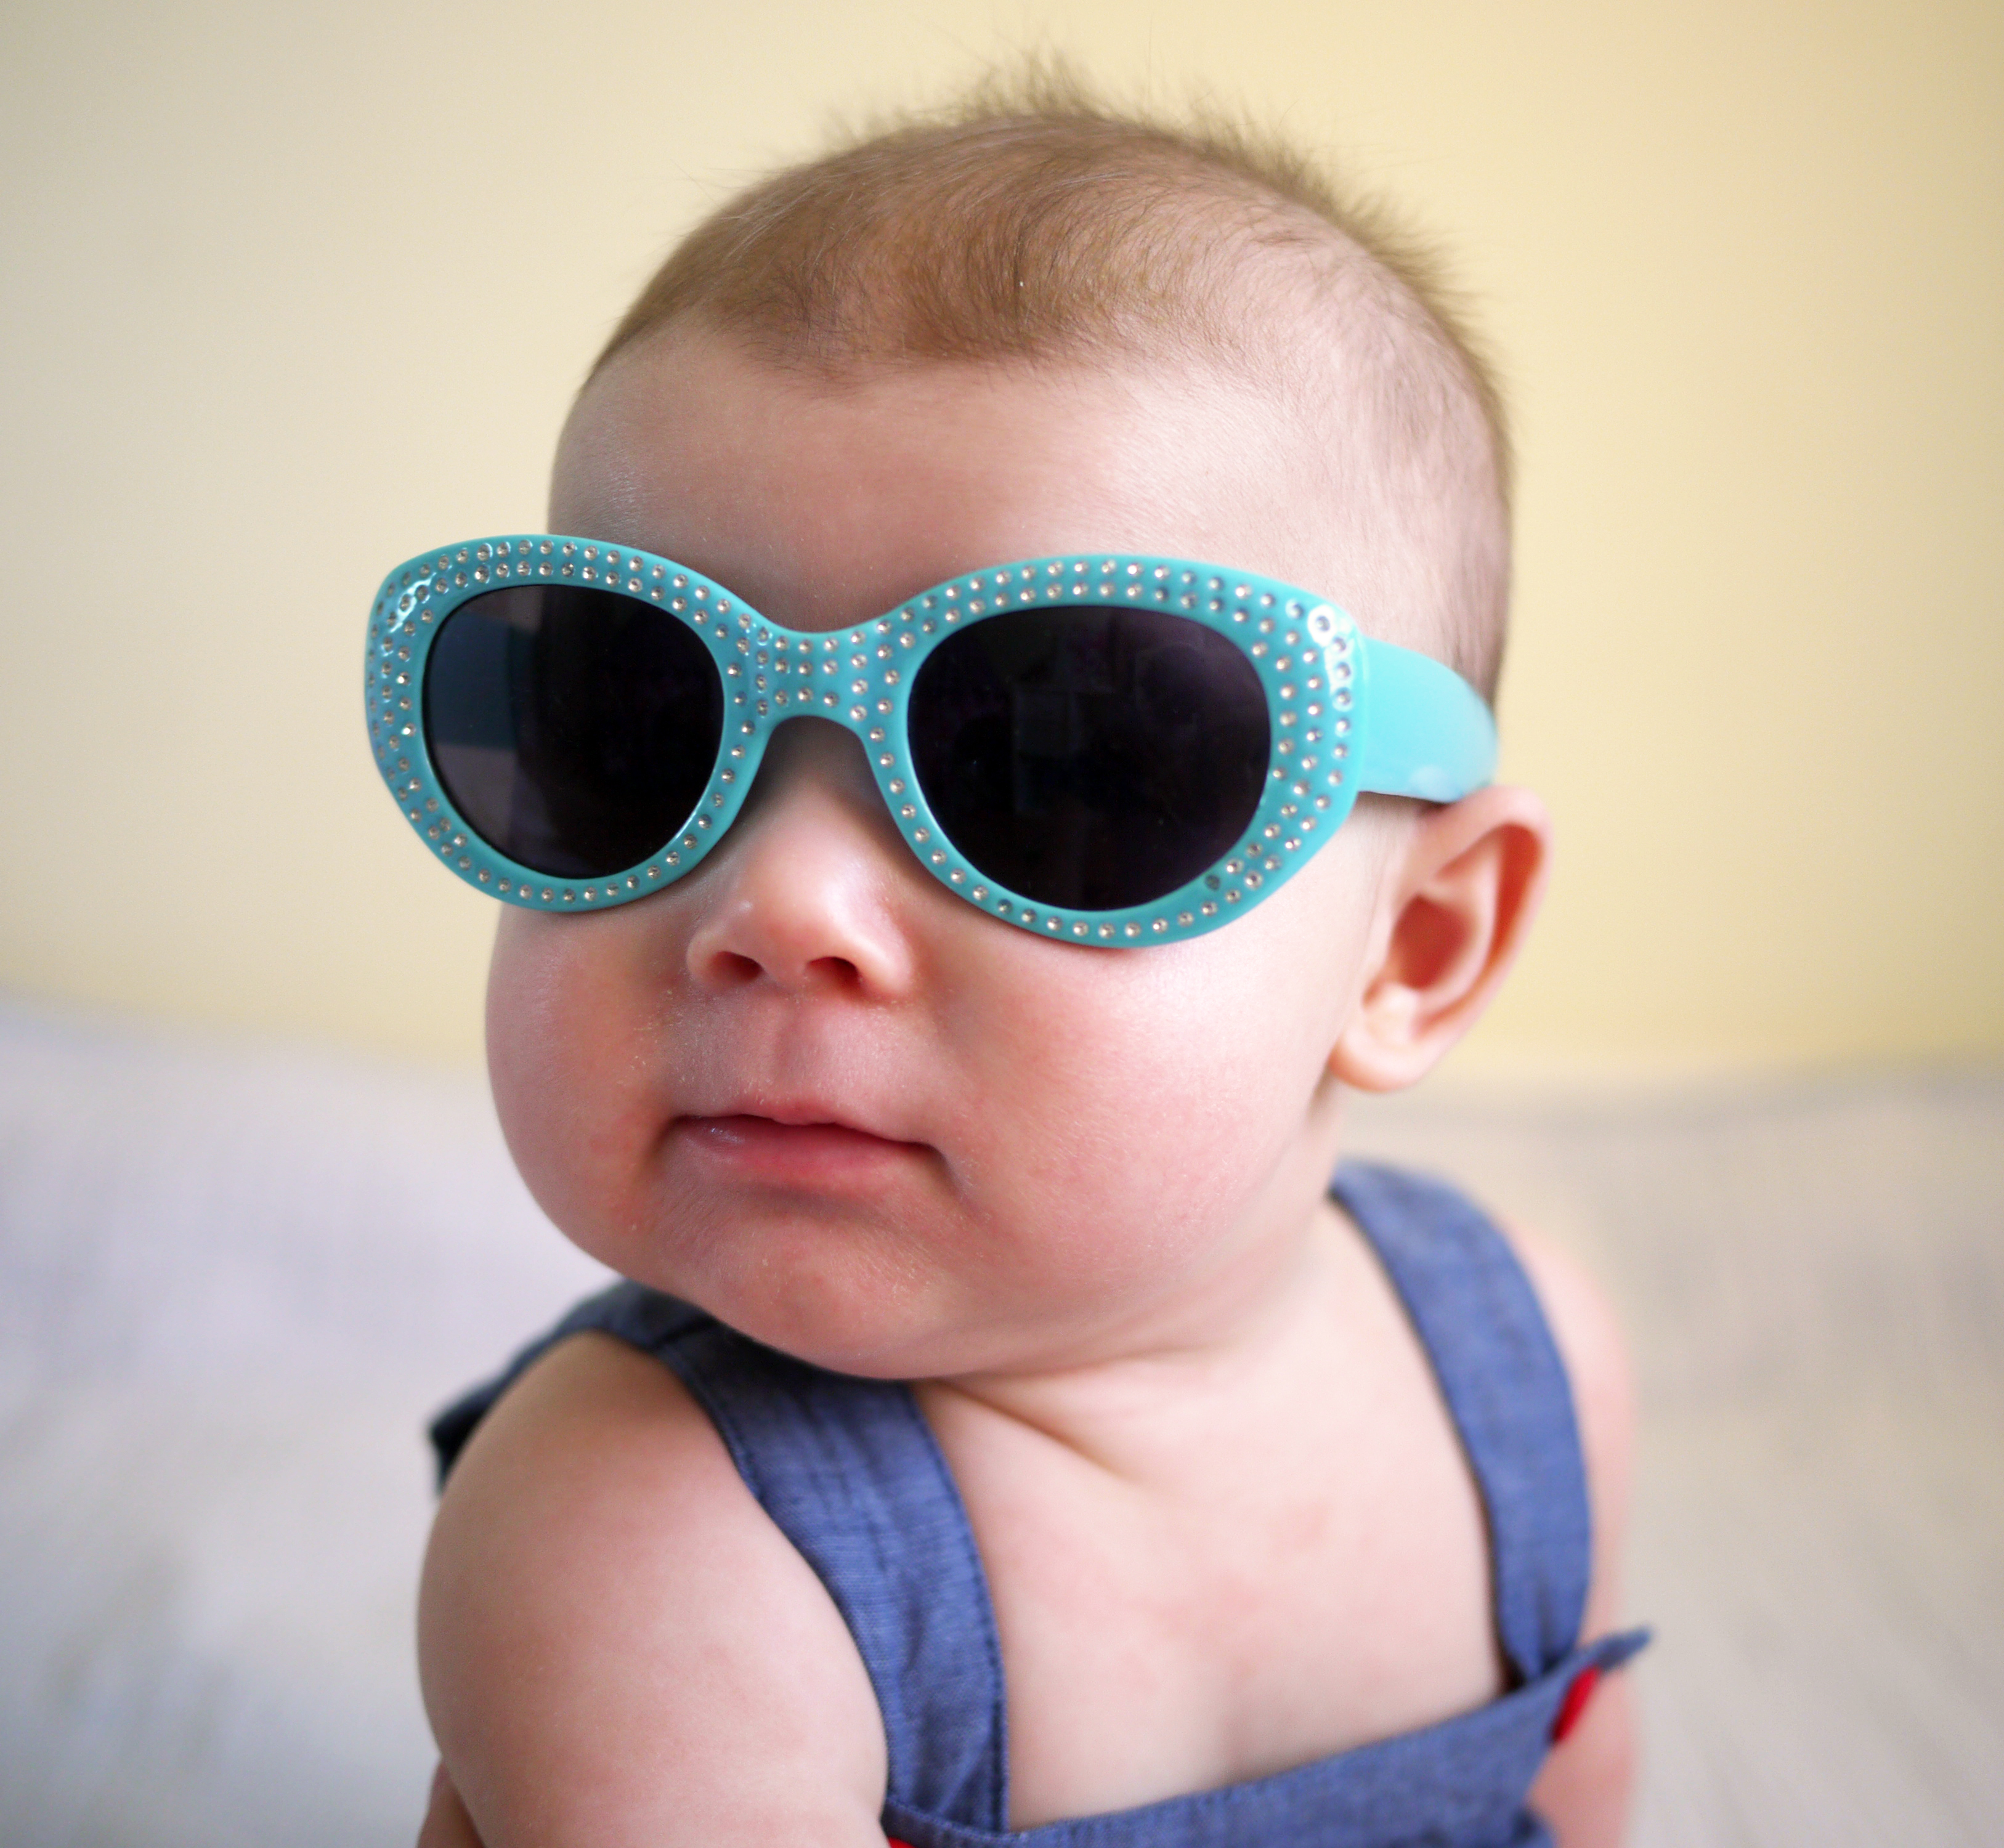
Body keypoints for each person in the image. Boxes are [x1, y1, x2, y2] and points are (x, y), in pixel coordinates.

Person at [374, 76, 1645, 1848]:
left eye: (1064, 770)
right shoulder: (646, 1545)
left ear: (1414, 948)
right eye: (627, 724)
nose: (784, 904)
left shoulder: (1531, 1369)